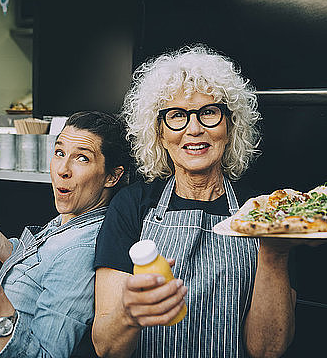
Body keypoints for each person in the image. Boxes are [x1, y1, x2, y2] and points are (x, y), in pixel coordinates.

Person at [92, 45, 297, 358]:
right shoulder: (131, 206)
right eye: (176, 115)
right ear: (158, 133)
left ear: (231, 126)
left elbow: (267, 351)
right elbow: (106, 348)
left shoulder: (264, 212)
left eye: (209, 112)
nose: (194, 129)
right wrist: (128, 315)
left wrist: (274, 252)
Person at [0, 111, 131, 357]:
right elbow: (43, 272)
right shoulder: (71, 220)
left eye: (81, 158)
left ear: (112, 176)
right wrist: (2, 245)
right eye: (59, 152)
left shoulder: (79, 251)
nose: (62, 169)